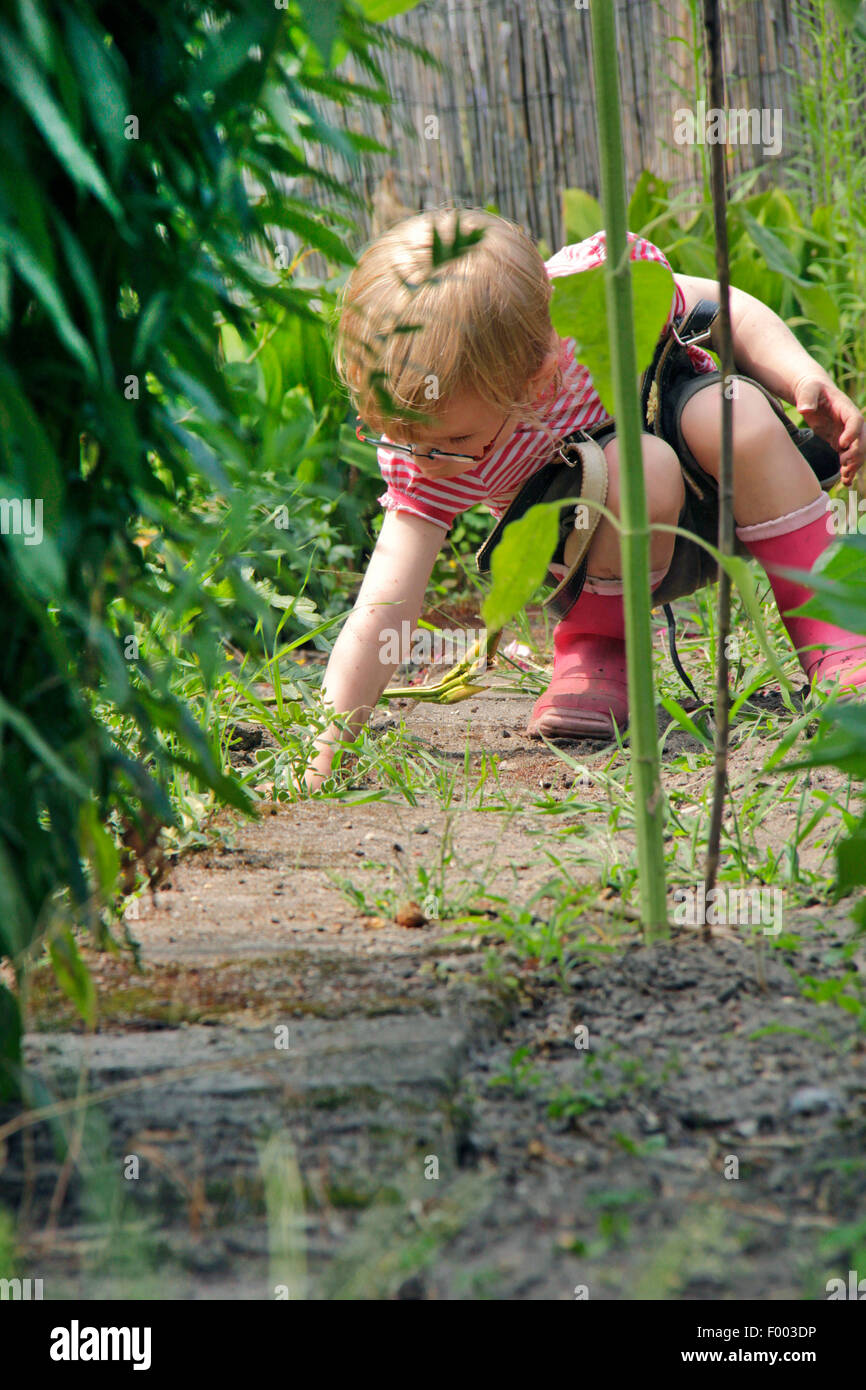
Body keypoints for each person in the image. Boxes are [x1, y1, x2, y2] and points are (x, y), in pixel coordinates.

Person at [304, 207, 866, 790]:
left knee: (735, 413)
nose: (427, 458)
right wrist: (325, 755)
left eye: (454, 441)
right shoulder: (424, 448)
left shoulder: (597, 300)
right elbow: (384, 605)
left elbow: (723, 307)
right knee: (638, 467)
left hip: (720, 497)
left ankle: (838, 630)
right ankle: (598, 649)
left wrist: (804, 377)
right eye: (400, 434)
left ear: (538, 378)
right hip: (589, 547)